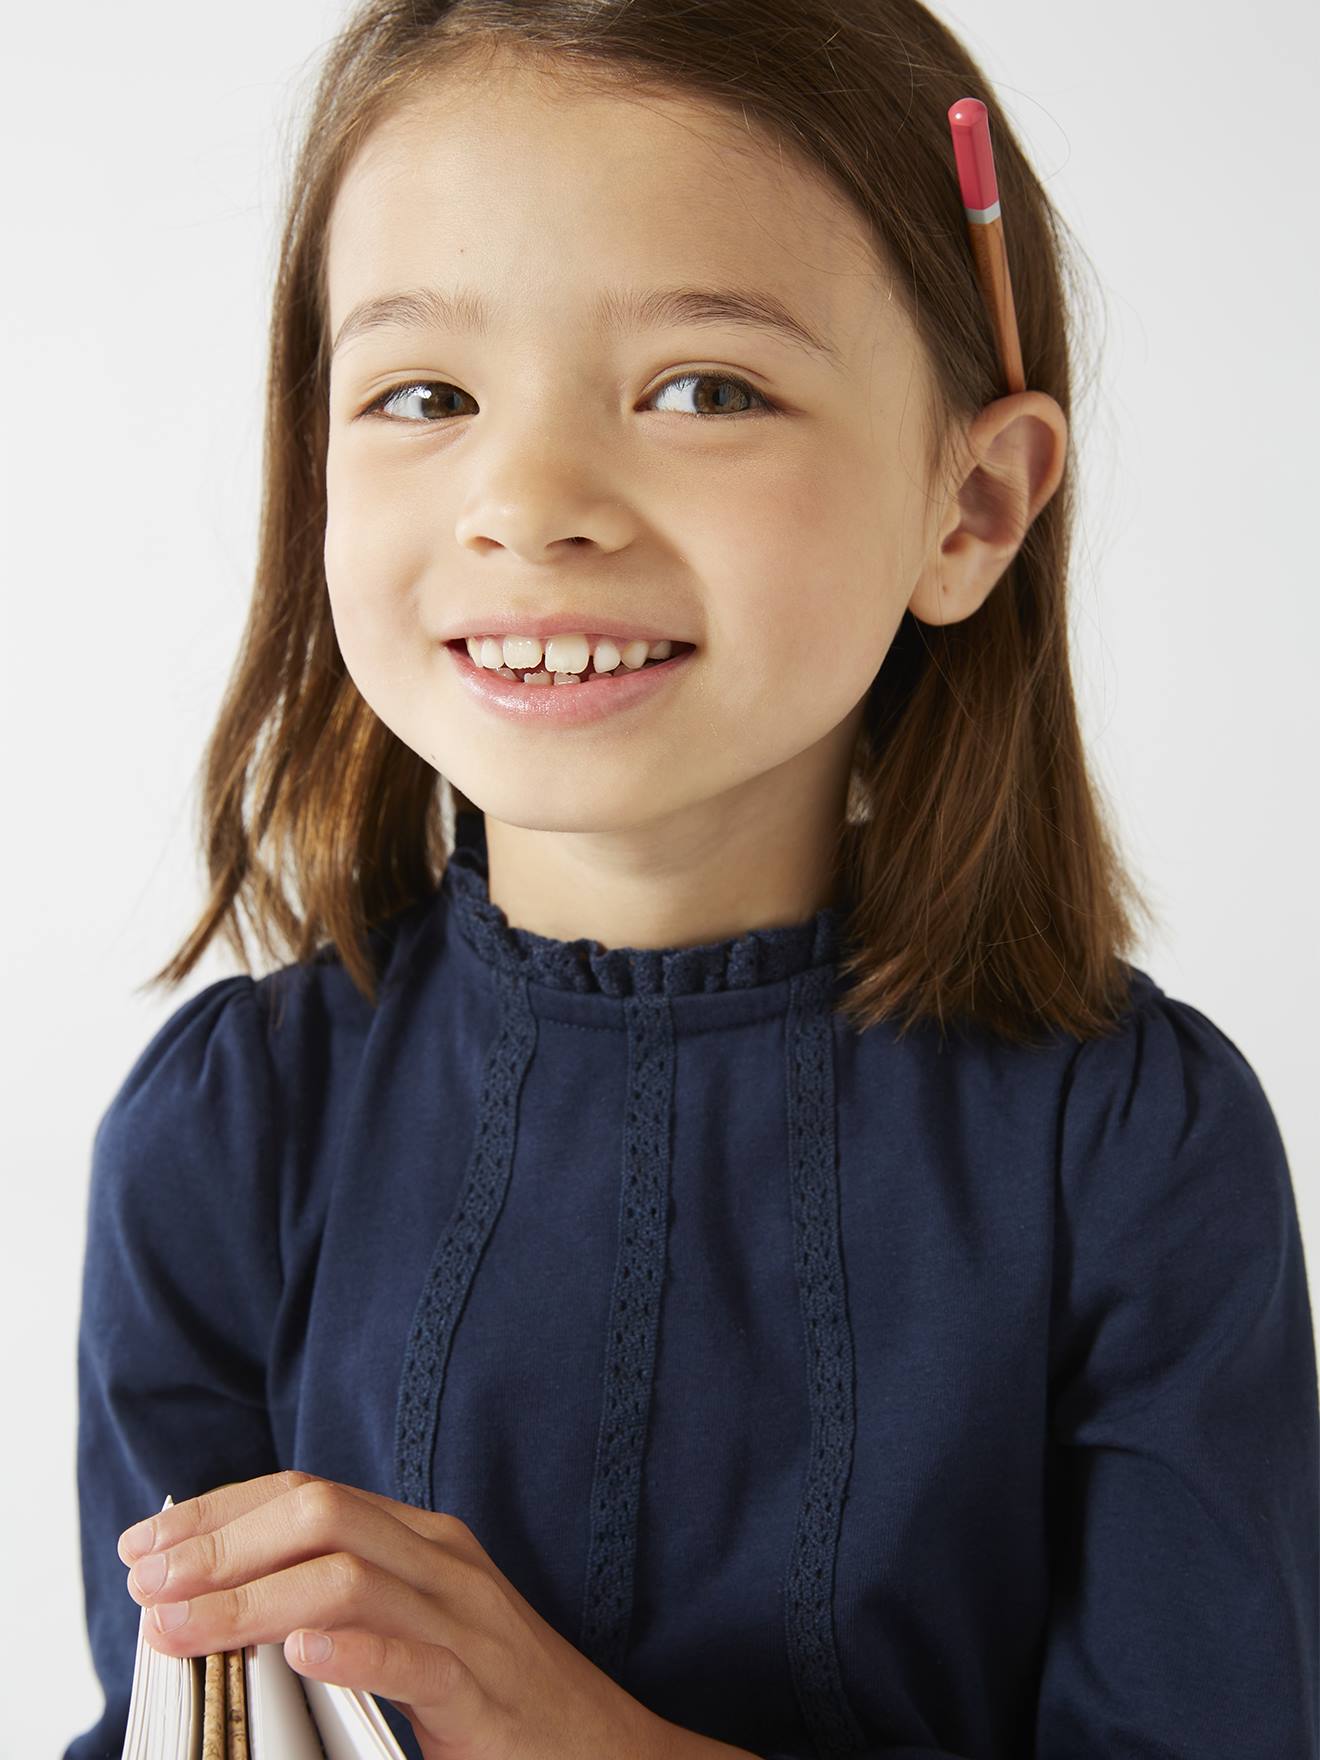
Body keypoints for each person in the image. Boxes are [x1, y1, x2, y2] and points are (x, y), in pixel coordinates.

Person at [66, 2, 1319, 1757]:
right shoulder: (219, 1138)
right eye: (425, 393)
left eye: (702, 388)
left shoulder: (1135, 1154)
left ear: (972, 504)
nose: (531, 498)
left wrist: (574, 1731)